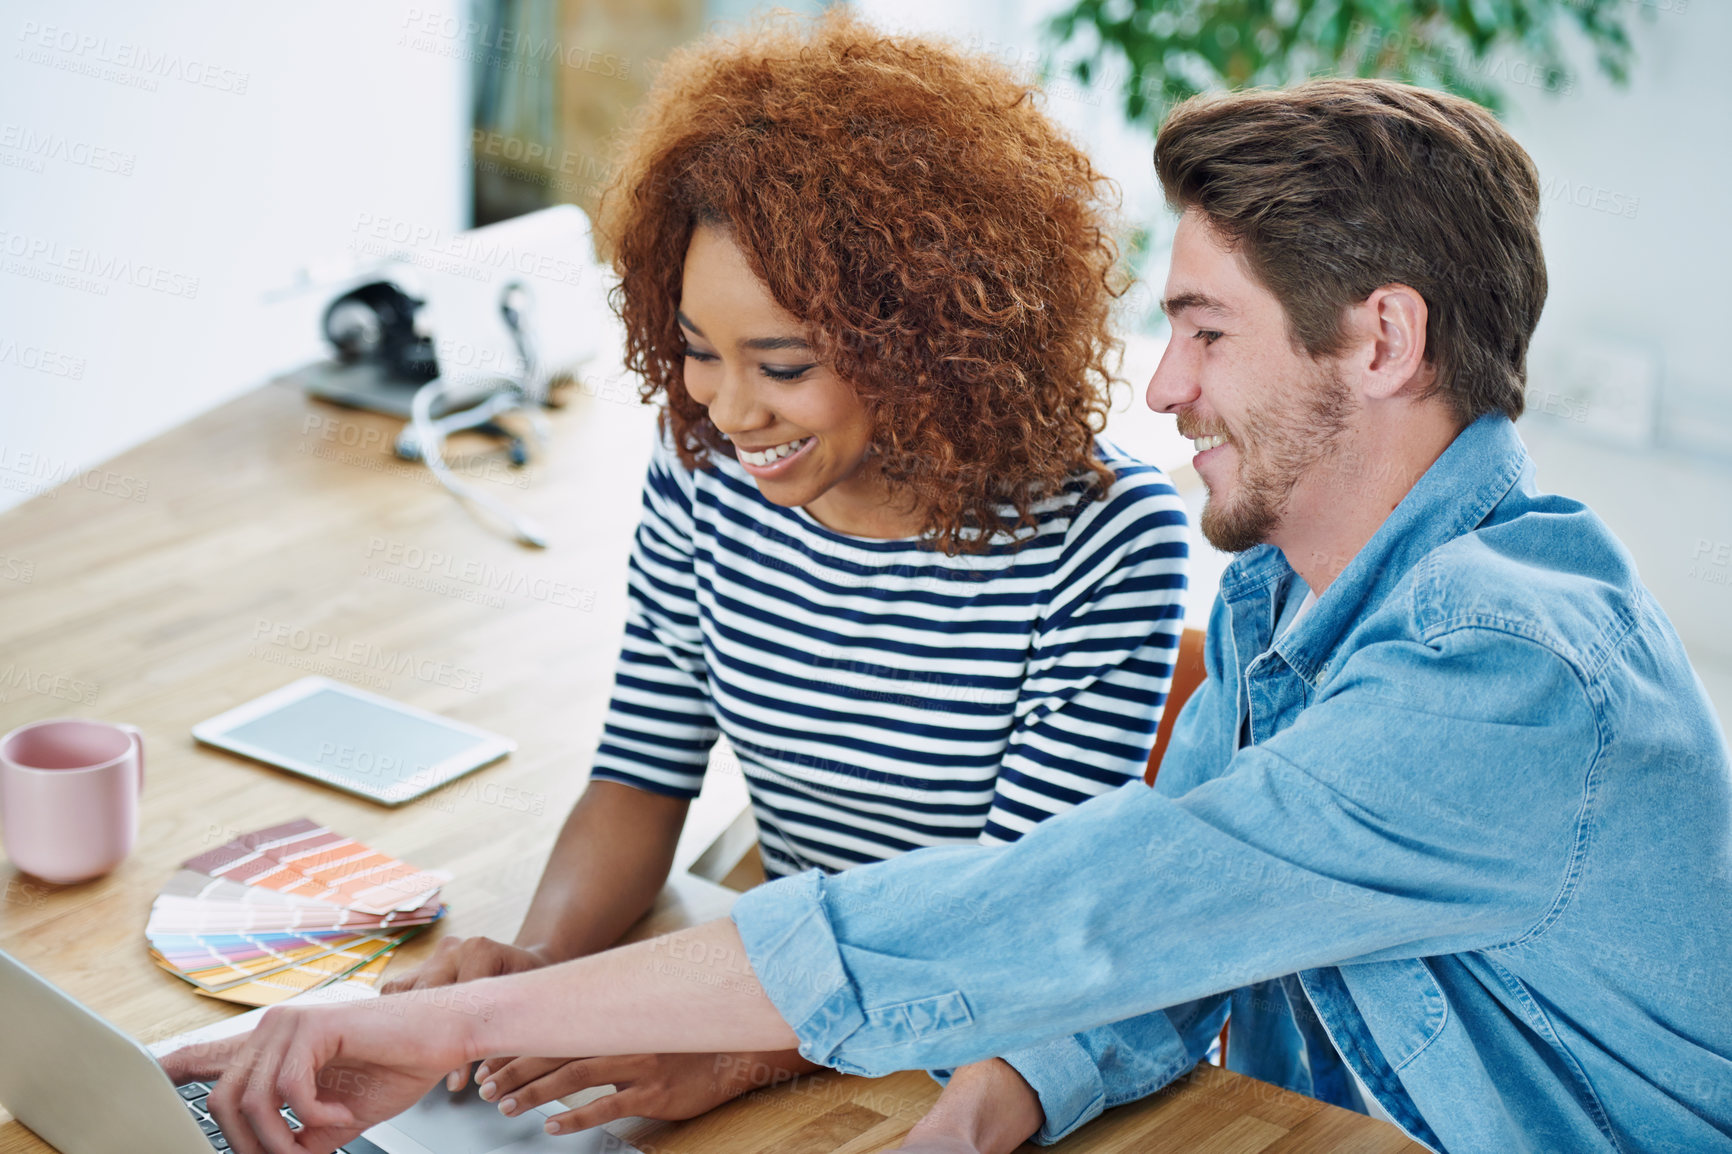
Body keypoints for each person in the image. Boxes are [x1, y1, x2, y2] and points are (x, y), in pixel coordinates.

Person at [163, 78, 1732, 1154]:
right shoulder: (1279, 604)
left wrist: (447, 1030)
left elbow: (1072, 904)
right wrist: (1002, 1101)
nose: (1165, 384)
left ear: (1380, 338)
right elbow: (1185, 938)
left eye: (1202, 329)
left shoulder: (1503, 672)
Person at [373, 10, 1188, 1145]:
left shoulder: (1102, 541)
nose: (729, 409)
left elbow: (1003, 925)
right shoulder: (703, 474)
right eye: (699, 348)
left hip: (969, 1043)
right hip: (791, 994)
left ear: (925, 337)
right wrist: (531, 969)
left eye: (785, 364)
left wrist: (746, 1050)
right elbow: (638, 774)